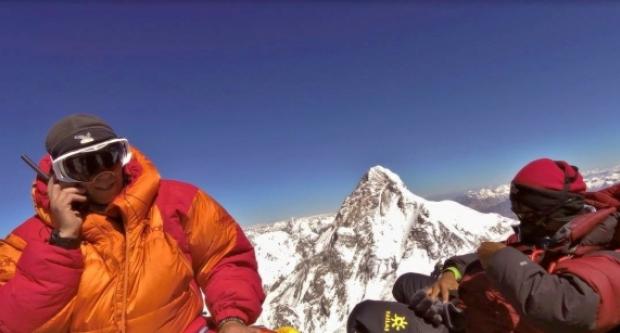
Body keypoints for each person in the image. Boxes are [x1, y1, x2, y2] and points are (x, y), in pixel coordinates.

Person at [0, 114, 266, 333]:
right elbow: (12, 324)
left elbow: (224, 258)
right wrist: (62, 240)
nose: (103, 174)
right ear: (59, 176)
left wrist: (232, 320)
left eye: (110, 156)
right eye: (83, 165)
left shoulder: (177, 201)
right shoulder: (26, 242)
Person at [351, 158, 620, 333]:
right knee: (405, 283)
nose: (520, 217)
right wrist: (452, 275)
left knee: (366, 318)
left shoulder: (609, 246)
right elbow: (485, 256)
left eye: (527, 210)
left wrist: (500, 258)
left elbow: (567, 306)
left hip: (481, 323)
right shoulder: (546, 234)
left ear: (553, 209)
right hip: (473, 305)